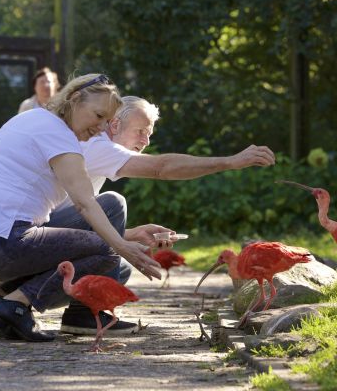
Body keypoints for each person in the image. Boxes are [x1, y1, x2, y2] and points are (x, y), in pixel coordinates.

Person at [0, 73, 165, 342]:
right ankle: (17, 304)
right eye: (99, 116)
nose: (101, 128)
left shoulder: (32, 119)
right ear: (75, 99)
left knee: (114, 257)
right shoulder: (58, 133)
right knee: (108, 252)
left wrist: (129, 237)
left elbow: (74, 226)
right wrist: (230, 162)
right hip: (1, 243)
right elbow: (85, 204)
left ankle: (4, 296)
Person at [48, 95, 276, 335]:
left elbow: (80, 225)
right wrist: (230, 161)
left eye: (150, 134)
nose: (145, 141)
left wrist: (134, 234)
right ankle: (81, 314)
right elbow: (161, 168)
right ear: (114, 125)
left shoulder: (95, 148)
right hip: (32, 237)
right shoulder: (98, 146)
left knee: (120, 268)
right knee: (114, 203)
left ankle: (72, 311)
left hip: (44, 234)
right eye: (140, 131)